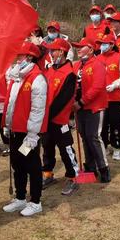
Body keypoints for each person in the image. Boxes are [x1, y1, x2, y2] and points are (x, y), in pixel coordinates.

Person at [2, 42, 48, 217]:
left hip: (29, 132)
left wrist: (32, 134)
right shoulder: (16, 77)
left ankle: (35, 201)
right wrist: (7, 124)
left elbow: (38, 110)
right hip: (15, 130)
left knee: (31, 164)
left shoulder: (37, 78)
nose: (16, 59)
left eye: (20, 56)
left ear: (29, 57)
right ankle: (20, 197)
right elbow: (12, 103)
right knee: (17, 163)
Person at [42, 38, 79, 195]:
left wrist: (48, 115)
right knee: (47, 147)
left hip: (59, 119)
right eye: (50, 50)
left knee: (66, 149)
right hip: (46, 119)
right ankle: (48, 173)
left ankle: (72, 177)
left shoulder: (69, 74)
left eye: (54, 50)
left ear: (62, 52)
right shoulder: (50, 70)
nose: (51, 53)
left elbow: (63, 100)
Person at [72, 37, 110, 182]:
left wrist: (81, 102)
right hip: (79, 108)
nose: (78, 49)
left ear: (91, 49)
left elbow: (98, 87)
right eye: (77, 46)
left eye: (81, 46)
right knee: (85, 137)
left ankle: (104, 168)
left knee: (94, 137)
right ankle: (90, 166)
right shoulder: (76, 66)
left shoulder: (98, 64)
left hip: (94, 107)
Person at [97, 35, 120, 161]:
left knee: (116, 123)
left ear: (111, 44)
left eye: (105, 43)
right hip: (101, 99)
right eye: (101, 43)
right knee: (102, 125)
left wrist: (115, 85)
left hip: (115, 97)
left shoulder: (118, 57)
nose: (102, 46)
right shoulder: (97, 58)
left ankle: (117, 147)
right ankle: (104, 146)